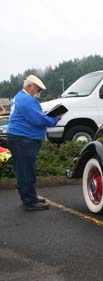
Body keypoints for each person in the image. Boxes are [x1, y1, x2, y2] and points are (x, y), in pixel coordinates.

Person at [7, 75, 64, 211]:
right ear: (30, 86)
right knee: (26, 171)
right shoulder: (27, 100)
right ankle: (29, 201)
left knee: (24, 170)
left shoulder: (20, 97)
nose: (38, 93)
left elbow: (36, 116)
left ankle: (30, 196)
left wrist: (47, 116)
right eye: (37, 90)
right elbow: (39, 120)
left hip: (20, 138)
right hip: (24, 140)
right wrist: (56, 117)